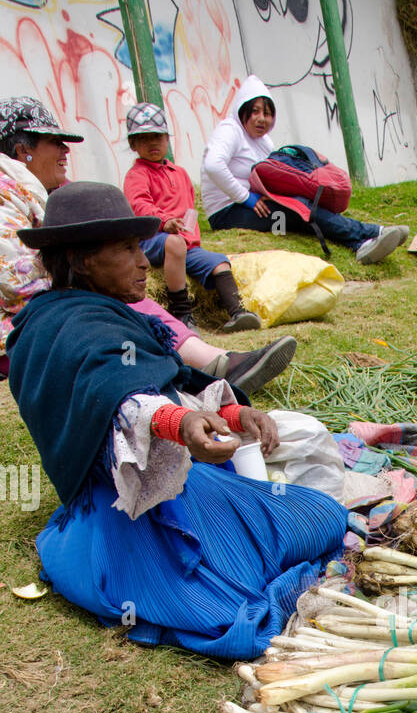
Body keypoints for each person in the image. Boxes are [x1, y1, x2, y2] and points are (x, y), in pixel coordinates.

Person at [7, 182, 349, 660]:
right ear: (83, 261)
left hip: (182, 479)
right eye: (126, 250)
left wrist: (233, 412)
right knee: (230, 613)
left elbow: (167, 382)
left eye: (138, 247)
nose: (144, 262)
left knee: (326, 517)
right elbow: (125, 403)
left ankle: (241, 549)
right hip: (128, 504)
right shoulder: (61, 329)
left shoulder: (113, 315)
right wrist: (181, 424)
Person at [0, 96, 295, 393]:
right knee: (117, 313)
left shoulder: (46, 191)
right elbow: (17, 283)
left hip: (56, 318)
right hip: (25, 337)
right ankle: (205, 367)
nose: (65, 150)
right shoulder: (4, 195)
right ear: (23, 150)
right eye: (54, 142)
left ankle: (212, 361)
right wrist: (89, 291)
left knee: (130, 298)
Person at [201, 76, 409, 264]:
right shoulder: (230, 130)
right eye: (254, 111)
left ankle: (362, 243)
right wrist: (246, 198)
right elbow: (213, 165)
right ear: (242, 109)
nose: (262, 118)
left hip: (252, 204)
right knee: (297, 212)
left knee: (303, 204)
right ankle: (372, 233)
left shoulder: (263, 142)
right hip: (226, 212)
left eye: (267, 113)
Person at [124, 101, 260, 333]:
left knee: (219, 261)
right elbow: (138, 205)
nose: (152, 142)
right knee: (175, 244)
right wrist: (164, 222)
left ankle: (238, 312)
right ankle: (182, 313)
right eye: (144, 138)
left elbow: (189, 209)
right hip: (152, 241)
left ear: (167, 139)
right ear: (133, 144)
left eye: (157, 136)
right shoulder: (136, 174)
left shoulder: (180, 173)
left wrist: (190, 238)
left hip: (183, 244)